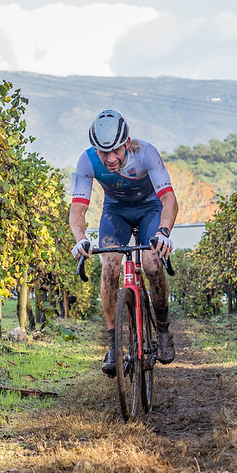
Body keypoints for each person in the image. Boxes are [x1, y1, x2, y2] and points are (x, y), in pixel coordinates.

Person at [69, 109, 178, 376]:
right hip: (115, 212)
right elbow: (78, 208)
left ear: (127, 143)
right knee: (109, 268)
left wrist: (163, 231)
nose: (110, 159)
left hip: (150, 209)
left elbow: (169, 199)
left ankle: (162, 330)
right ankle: (113, 344)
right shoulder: (87, 161)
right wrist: (81, 239)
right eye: (103, 152)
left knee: (152, 264)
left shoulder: (146, 153)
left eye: (115, 151)